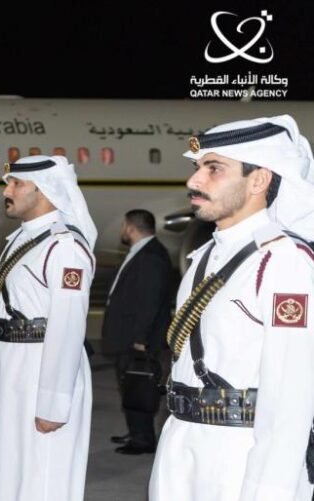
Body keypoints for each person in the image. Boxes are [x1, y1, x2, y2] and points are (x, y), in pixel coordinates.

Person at [150, 115, 314, 500]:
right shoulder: (206, 258)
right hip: (182, 444)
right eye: (197, 168)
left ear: (259, 180)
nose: (194, 181)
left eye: (214, 169)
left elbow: (291, 396)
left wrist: (268, 489)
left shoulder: (283, 261)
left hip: (238, 459)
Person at [0, 155, 97, 501]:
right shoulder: (21, 239)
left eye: (16, 184)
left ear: (44, 190)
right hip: (6, 362)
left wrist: (53, 404)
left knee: (41, 469)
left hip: (41, 367)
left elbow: (67, 328)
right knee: (3, 463)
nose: (7, 191)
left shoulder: (64, 246)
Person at [101, 209, 174, 455]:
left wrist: (141, 338)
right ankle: (136, 432)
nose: (122, 230)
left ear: (131, 227)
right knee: (130, 385)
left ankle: (143, 439)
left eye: (124, 226)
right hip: (129, 335)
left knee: (139, 386)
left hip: (136, 338)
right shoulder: (143, 253)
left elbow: (149, 302)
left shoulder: (150, 256)